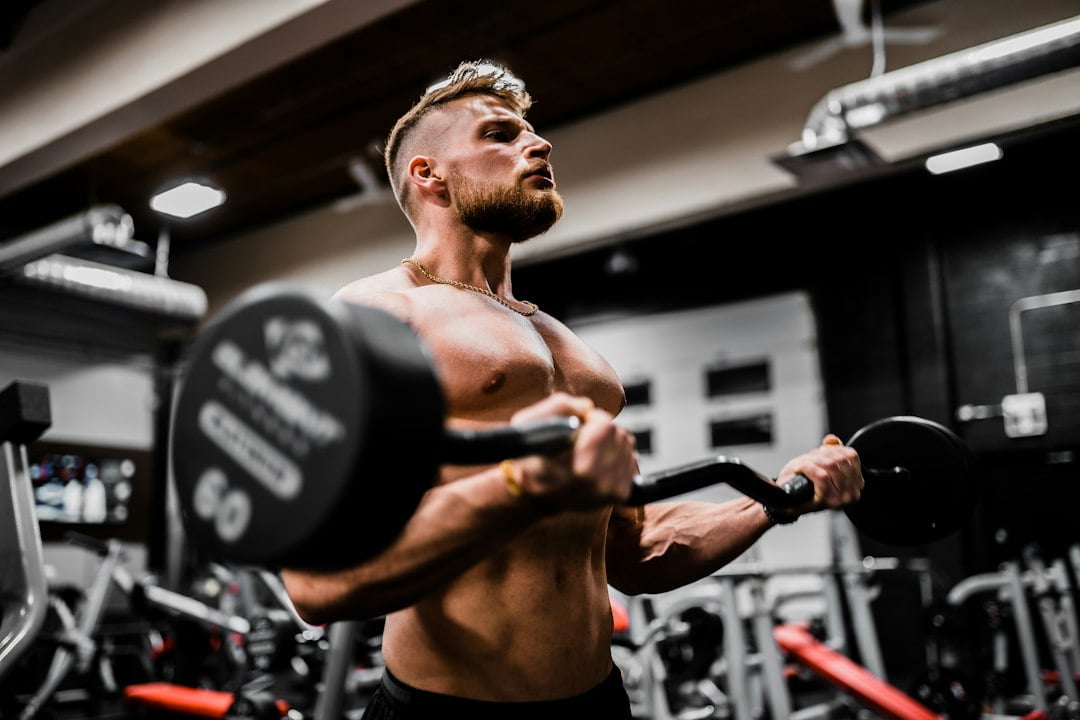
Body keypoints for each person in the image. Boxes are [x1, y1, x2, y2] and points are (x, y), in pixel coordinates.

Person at [280, 60, 864, 719]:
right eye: (500, 134)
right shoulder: (372, 317)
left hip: (597, 702)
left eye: (531, 132)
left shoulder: (568, 348)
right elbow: (316, 583)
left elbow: (634, 552)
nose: (540, 144)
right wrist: (516, 486)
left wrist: (779, 499)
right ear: (428, 174)